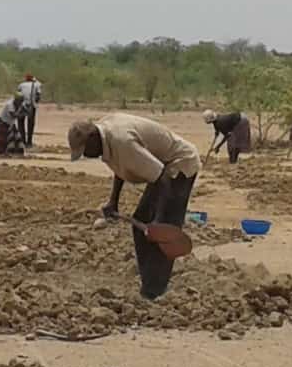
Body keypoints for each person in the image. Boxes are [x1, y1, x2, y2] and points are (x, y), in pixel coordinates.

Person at [72, 112, 202, 299]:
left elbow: (163, 178)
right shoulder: (106, 134)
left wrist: (158, 219)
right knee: (141, 225)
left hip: (180, 164)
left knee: (163, 232)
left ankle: (154, 292)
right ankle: (150, 285)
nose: (86, 155)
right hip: (163, 170)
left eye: (85, 150)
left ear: (92, 138)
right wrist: (113, 201)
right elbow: (121, 165)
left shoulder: (123, 141)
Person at [16, 71, 41, 148]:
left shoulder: (21, 85)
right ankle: (29, 142)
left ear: (25, 79)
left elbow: (17, 95)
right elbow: (38, 96)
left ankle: (23, 141)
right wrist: (35, 102)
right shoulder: (36, 85)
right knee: (30, 124)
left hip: (22, 106)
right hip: (31, 106)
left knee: (20, 123)